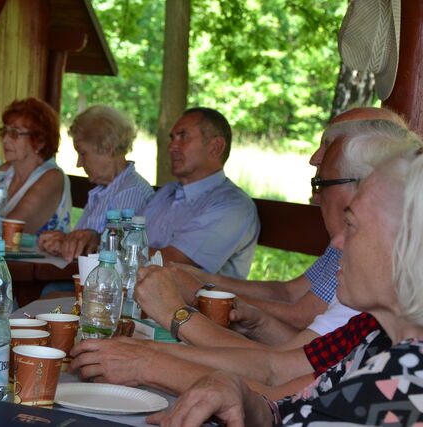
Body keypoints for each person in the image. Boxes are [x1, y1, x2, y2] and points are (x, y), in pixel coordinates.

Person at [69, 115, 422, 400]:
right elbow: (278, 375)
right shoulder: (371, 331)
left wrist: (176, 317)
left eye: (321, 180)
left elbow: (277, 381)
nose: (338, 242)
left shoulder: (402, 372)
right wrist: (142, 356)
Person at [150, 147, 423, 426]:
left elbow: (278, 369)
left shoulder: (404, 380)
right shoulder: (375, 335)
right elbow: (292, 404)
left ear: (406, 247)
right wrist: (241, 396)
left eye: (351, 225)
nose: (337, 242)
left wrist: (173, 320)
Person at [141, 107, 259, 277]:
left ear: (215, 147)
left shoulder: (233, 207)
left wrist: (115, 248)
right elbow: (125, 237)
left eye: (183, 136)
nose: (171, 147)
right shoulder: (167, 192)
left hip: (190, 303)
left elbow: (169, 263)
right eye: (172, 138)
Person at [38, 105, 154, 260]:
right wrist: (65, 240)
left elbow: (119, 254)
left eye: (83, 153)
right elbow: (89, 242)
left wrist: (70, 245)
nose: (79, 163)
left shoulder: (130, 191)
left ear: (108, 149)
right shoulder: (104, 190)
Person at [0, 97, 71, 235]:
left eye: (14, 134)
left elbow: (12, 228)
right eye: (4, 131)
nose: (4, 139)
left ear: (40, 141)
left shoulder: (52, 177)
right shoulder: (8, 170)